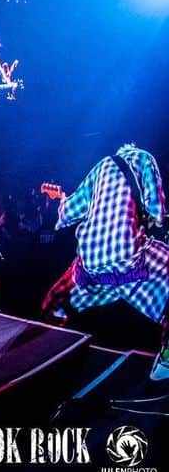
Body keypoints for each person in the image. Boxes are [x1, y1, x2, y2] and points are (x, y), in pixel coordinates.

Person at [40, 143, 169, 381]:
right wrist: (152, 220)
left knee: (53, 303)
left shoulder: (101, 166)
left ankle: (48, 357)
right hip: (130, 263)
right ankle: (166, 362)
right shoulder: (144, 158)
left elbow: (68, 212)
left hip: (90, 267)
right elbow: (157, 212)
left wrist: (60, 200)